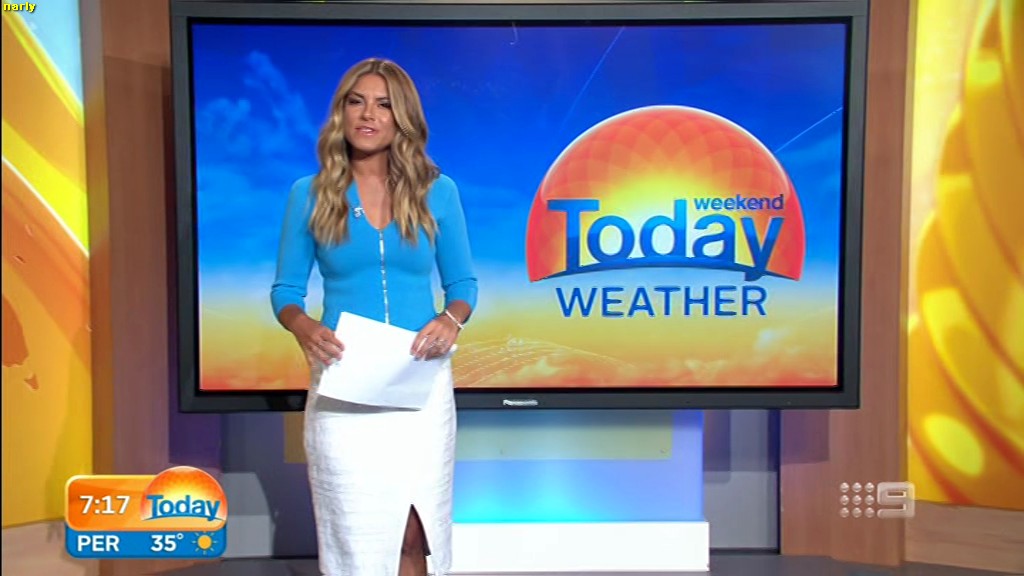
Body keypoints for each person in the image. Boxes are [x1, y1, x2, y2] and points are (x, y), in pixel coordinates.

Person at [270, 58, 477, 576]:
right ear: (341, 112)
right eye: (357, 102)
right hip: (345, 383)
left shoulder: (438, 191)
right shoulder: (309, 194)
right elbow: (286, 291)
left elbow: (463, 286)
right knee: (358, 539)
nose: (368, 115)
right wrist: (303, 326)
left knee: (414, 531)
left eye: (384, 105)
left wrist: (450, 320)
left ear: (401, 117)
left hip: (420, 381)